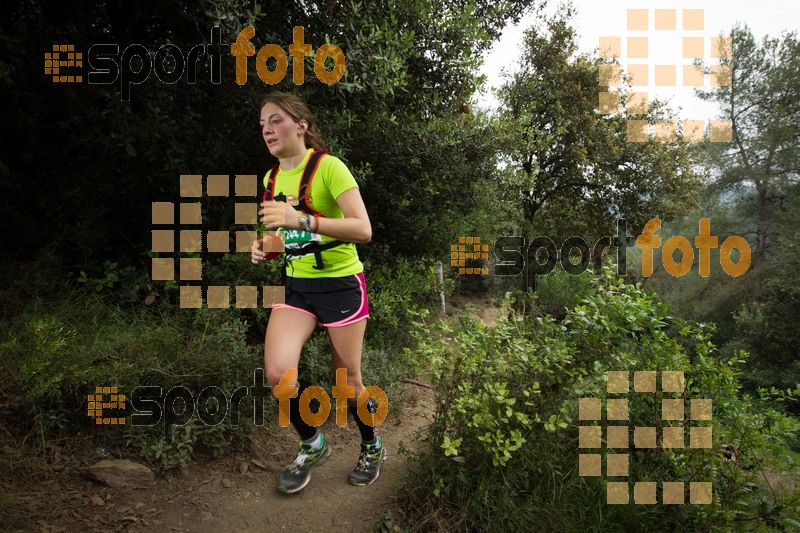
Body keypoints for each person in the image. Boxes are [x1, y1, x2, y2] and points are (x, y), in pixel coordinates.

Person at [250, 92, 385, 494]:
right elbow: (279, 235)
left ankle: (372, 445)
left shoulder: (330, 168)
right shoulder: (271, 178)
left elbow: (363, 229)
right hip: (298, 287)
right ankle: (313, 443)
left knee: (347, 382)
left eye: (275, 120)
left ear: (301, 125)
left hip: (341, 285)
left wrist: (304, 219)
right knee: (277, 375)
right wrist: (265, 245)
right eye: (262, 125)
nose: (267, 130)